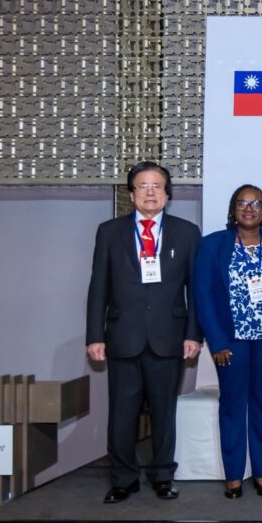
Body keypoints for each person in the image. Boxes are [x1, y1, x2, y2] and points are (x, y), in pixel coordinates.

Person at [86, 161, 202, 503]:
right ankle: (123, 479)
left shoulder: (187, 232)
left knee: (165, 413)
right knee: (122, 414)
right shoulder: (109, 232)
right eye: (143, 186)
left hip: (169, 337)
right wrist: (95, 335)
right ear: (132, 192)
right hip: (123, 336)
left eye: (157, 186)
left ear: (167, 193)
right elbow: (98, 287)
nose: (150, 192)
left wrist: (193, 334)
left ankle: (163, 476)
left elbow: (195, 289)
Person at [194, 184, 262, 498]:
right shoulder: (213, 244)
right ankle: (234, 475)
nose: (249, 209)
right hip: (231, 343)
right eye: (242, 203)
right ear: (233, 209)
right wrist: (216, 341)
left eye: (256, 203)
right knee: (233, 405)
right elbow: (203, 295)